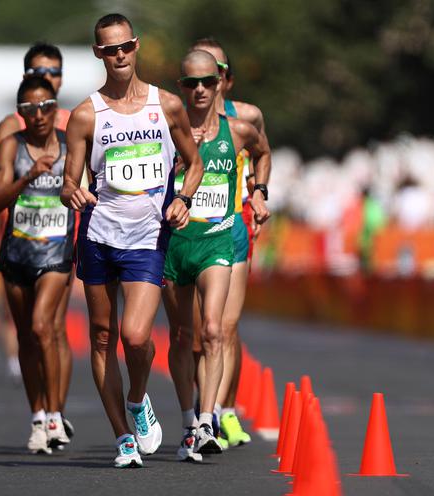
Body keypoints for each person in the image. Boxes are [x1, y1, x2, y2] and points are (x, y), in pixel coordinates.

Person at [60, 13, 203, 468]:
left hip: (146, 237)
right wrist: (73, 191)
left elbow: (194, 163)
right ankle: (123, 436)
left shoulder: (167, 105)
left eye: (125, 47)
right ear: (98, 53)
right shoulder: (86, 114)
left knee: (136, 336)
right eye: (108, 49)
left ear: (136, 47)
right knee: (102, 338)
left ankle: (138, 401)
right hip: (98, 236)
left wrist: (183, 198)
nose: (118, 56)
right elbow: (68, 181)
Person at [163, 49, 270, 462]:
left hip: (219, 240)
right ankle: (189, 418)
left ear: (221, 82)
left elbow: (263, 153)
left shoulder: (239, 129)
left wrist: (259, 193)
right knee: (181, 336)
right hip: (175, 244)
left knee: (214, 329)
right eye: (192, 84)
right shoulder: (166, 131)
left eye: (209, 81)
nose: (201, 90)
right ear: (182, 88)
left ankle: (208, 420)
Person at [0, 43, 75, 430]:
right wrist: (25, 173)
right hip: (18, 238)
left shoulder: (72, 122)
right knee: (28, 332)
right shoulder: (11, 127)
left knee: (51, 327)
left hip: (61, 241)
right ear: (27, 77)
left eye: (54, 72)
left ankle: (55, 415)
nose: (48, 77)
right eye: (41, 70)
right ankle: (40, 412)